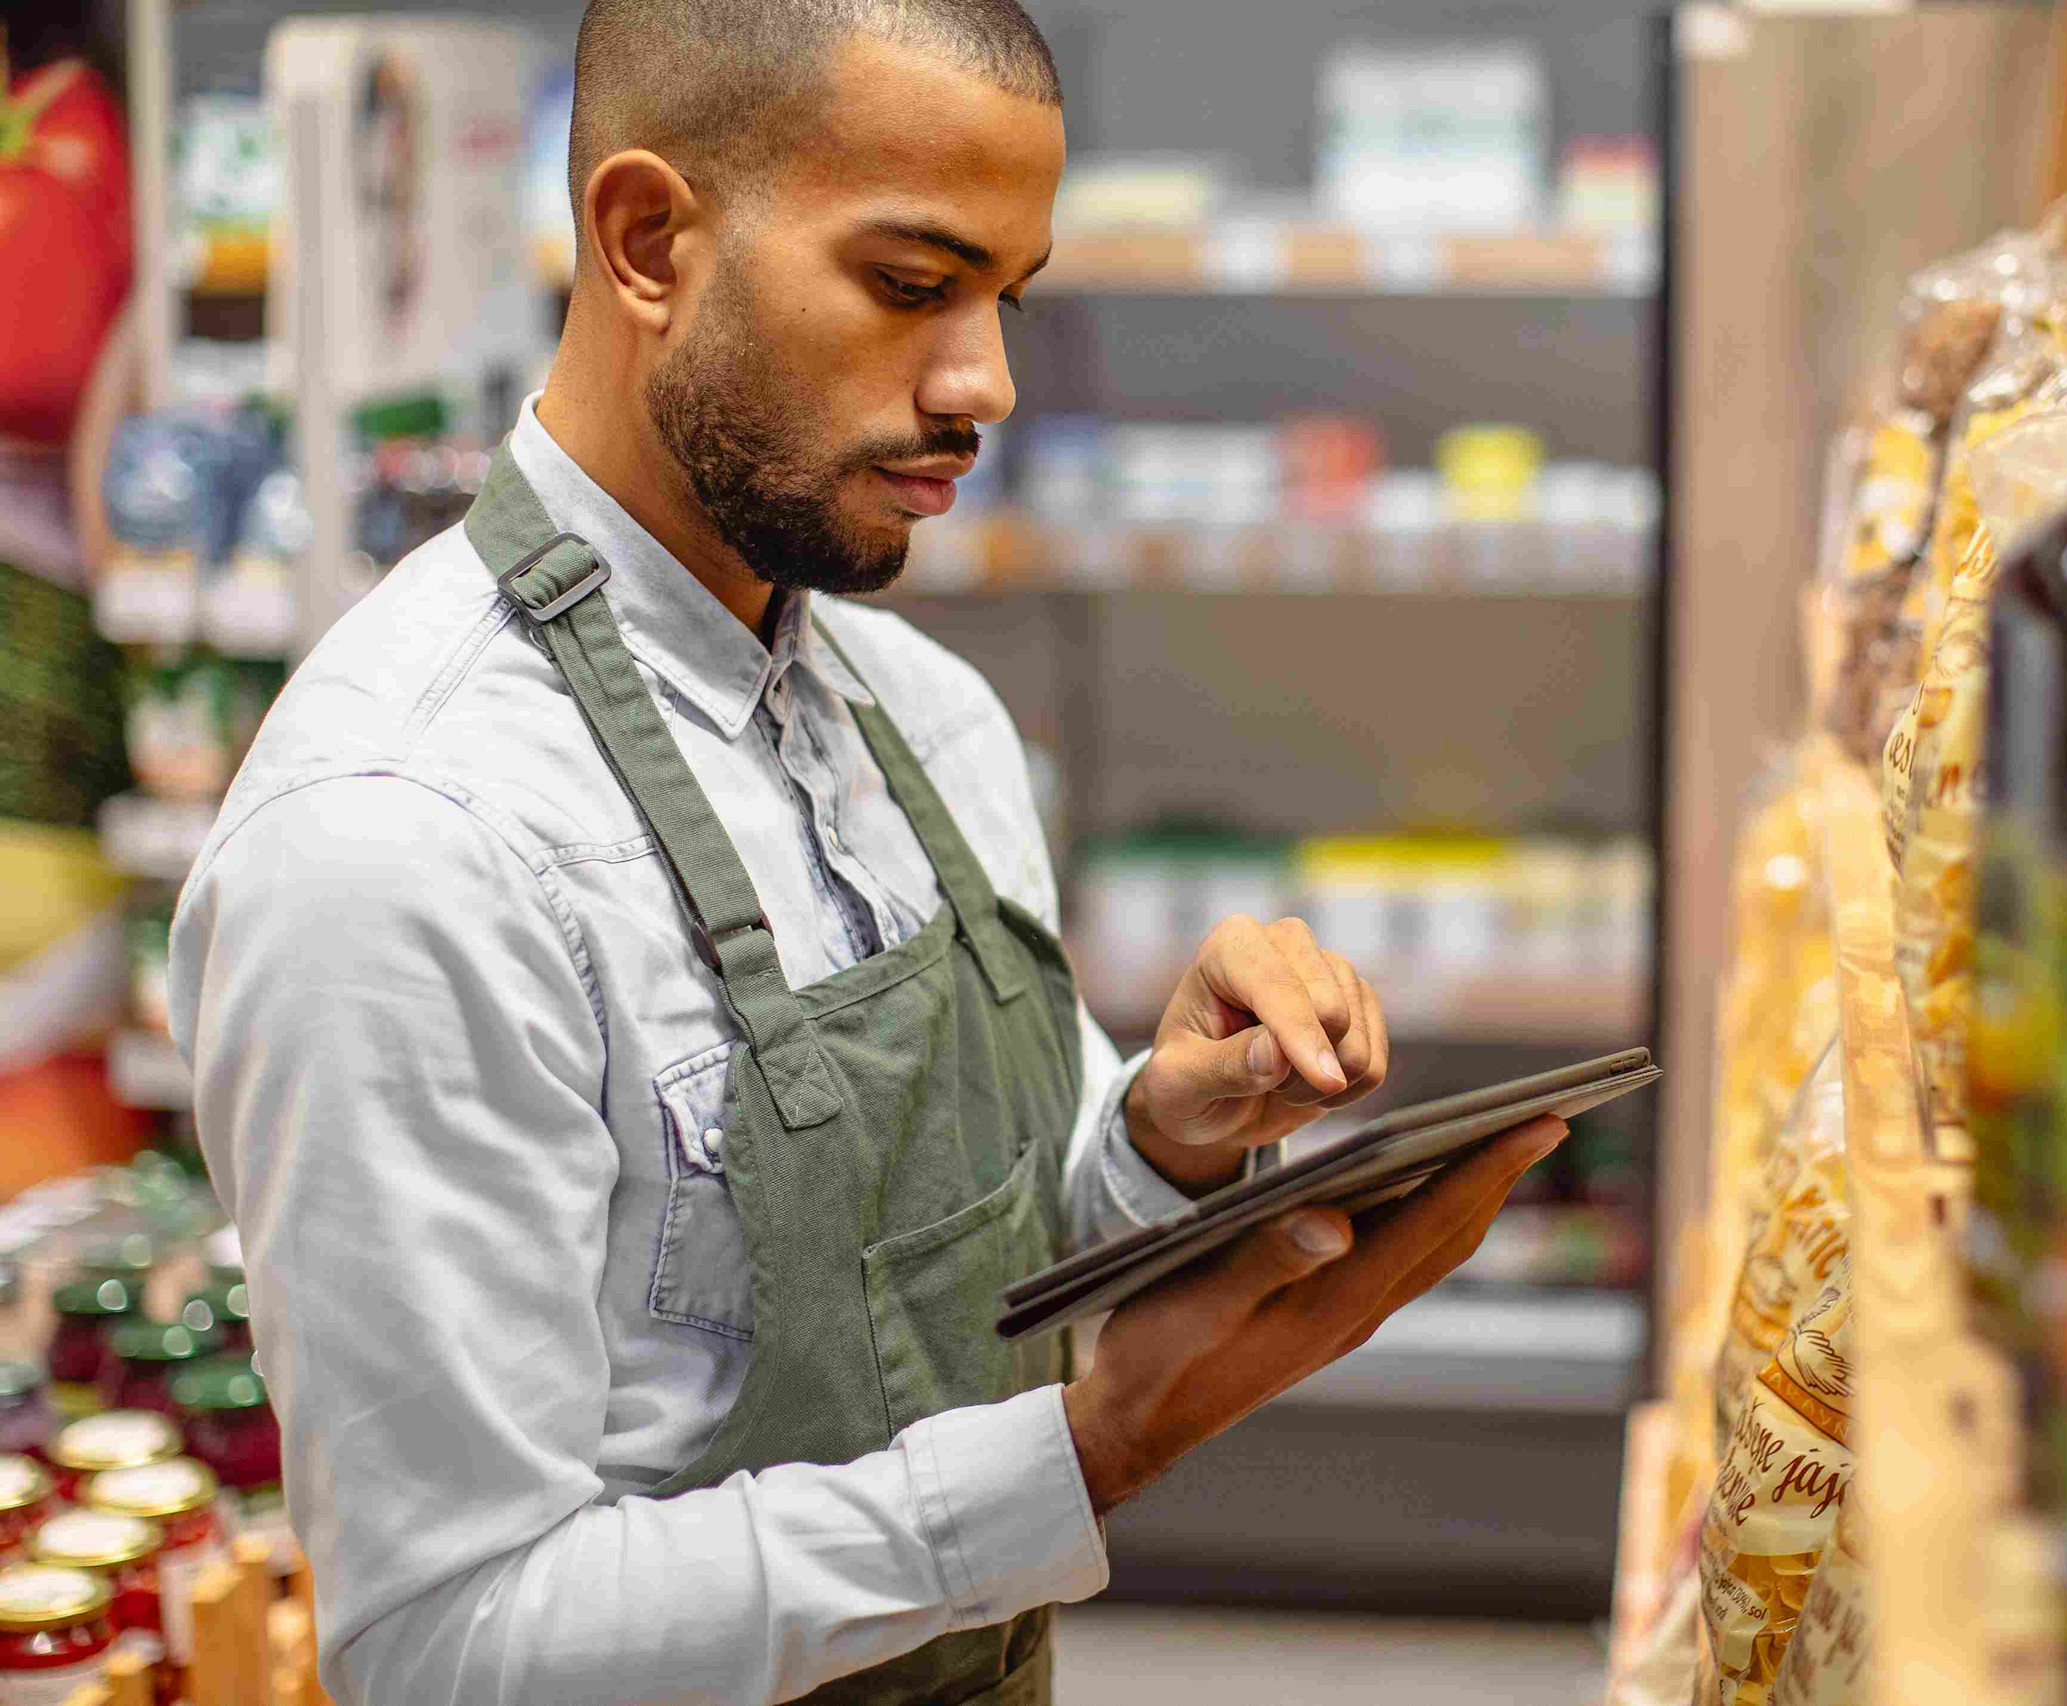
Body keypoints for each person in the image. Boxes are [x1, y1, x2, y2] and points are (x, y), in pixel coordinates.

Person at [167, 3, 1571, 1702]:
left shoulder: (933, 721)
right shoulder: (401, 842)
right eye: (915, 284)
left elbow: (959, 1282)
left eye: (1012, 297)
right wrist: (1084, 1457)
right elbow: (453, 1646)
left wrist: (1158, 1146)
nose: (985, 381)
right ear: (645, 241)